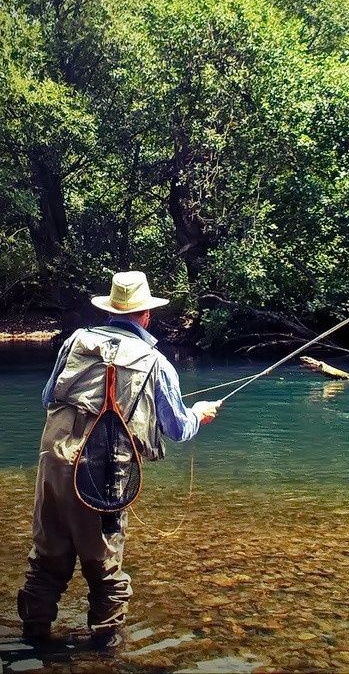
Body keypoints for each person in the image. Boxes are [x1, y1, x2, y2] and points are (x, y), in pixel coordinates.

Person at [17, 271, 222, 650]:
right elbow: (177, 429)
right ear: (145, 315)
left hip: (54, 462)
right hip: (104, 472)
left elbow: (48, 399)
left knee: (46, 561)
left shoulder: (76, 341)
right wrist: (200, 414)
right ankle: (107, 650)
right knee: (104, 568)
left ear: (111, 310)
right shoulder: (157, 362)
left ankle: (33, 643)